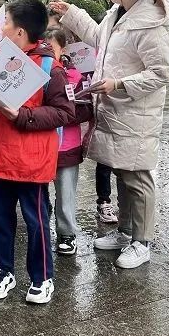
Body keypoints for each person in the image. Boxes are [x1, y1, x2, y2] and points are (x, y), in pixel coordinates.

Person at [50, 0, 169, 269]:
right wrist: (72, 14)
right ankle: (125, 231)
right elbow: (100, 39)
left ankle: (142, 242)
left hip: (136, 113)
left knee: (137, 177)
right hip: (115, 109)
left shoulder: (151, 24)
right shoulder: (119, 12)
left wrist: (119, 84)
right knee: (121, 170)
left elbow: (161, 73)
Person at [0, 0, 75, 303]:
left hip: (30, 161)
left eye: (5, 22)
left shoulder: (49, 67)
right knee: (1, 218)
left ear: (20, 31)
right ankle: (3, 270)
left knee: (35, 220)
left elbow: (64, 112)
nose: (1, 27)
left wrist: (23, 115)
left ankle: (42, 276)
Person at [45, 28, 93, 256]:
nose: (46, 52)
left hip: (67, 145)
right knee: (38, 192)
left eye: (51, 47)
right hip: (41, 144)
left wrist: (60, 113)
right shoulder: (35, 74)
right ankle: (42, 227)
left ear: (62, 49)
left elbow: (86, 109)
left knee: (65, 192)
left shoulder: (76, 76)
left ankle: (67, 233)